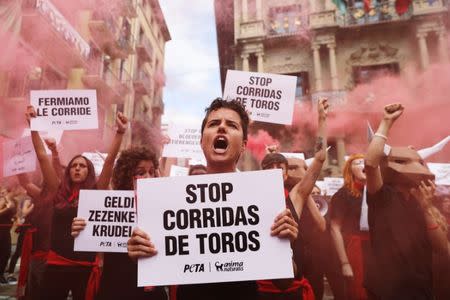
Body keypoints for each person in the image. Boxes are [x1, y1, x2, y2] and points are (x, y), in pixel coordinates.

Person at [127, 98, 299, 300]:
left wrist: (284, 244)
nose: (222, 128)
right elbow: (156, 272)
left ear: (243, 145)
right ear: (202, 141)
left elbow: (285, 280)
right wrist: (141, 251)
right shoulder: (172, 200)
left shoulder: (262, 198)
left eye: (232, 125)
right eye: (214, 124)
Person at [26, 105, 128, 300]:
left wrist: (120, 132)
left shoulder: (96, 192)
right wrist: (34, 127)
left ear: (88, 171)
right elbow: (42, 157)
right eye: (74, 165)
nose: (78, 169)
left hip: (85, 268)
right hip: (56, 265)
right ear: (69, 171)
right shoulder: (58, 191)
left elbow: (109, 162)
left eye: (82, 166)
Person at [365, 103, 449, 299]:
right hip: (387, 289)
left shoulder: (423, 198)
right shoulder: (382, 195)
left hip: (421, 288)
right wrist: (386, 122)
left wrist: (427, 208)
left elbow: (442, 249)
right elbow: (370, 164)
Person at [71, 147, 167, 300]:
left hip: (151, 294)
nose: (148, 177)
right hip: (116, 287)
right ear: (126, 175)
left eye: (151, 172)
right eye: (141, 173)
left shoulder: (164, 209)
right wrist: (83, 229)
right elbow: (95, 252)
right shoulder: (108, 205)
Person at [257, 98, 328, 299]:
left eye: (278, 168)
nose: (273, 171)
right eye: (268, 168)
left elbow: (320, 158)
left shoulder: (296, 196)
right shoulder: (253, 199)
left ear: (286, 174)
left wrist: (322, 120)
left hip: (291, 286)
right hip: (260, 288)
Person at [329, 153, 374, 300]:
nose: (363, 165)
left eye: (364, 162)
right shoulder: (343, 195)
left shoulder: (378, 192)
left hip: (376, 247)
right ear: (350, 170)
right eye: (358, 163)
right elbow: (334, 228)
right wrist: (345, 263)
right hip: (355, 248)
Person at [0, 186, 16, 285]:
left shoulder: (10, 202)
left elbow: (15, 212)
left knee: (6, 253)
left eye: (4, 192)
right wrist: (7, 208)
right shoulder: (2, 202)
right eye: (1, 193)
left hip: (6, 232)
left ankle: (1, 274)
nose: (2, 194)